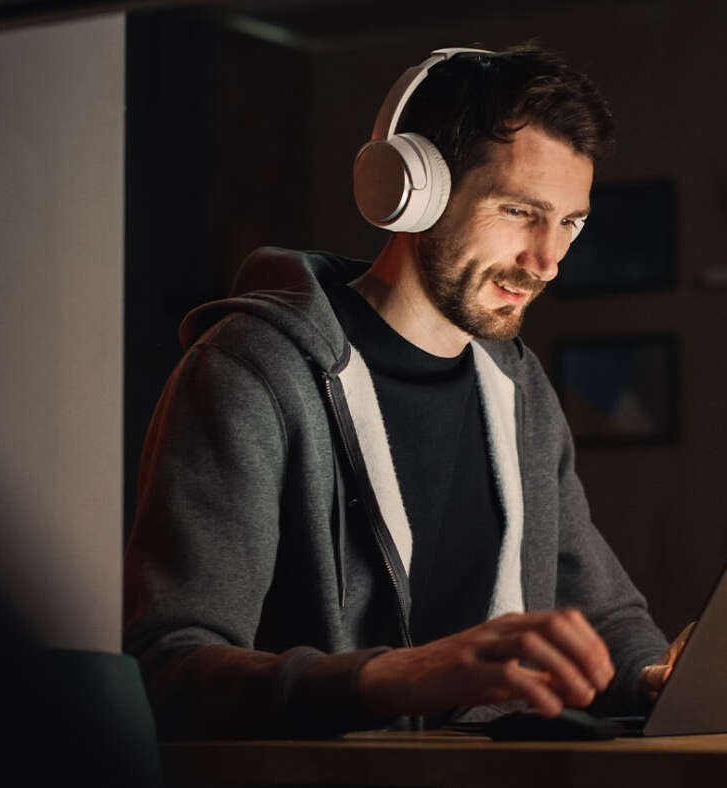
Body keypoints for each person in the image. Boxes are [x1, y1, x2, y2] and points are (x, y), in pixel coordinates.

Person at [124, 43, 686, 740]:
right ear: (410, 192)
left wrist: (655, 677)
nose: (547, 260)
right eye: (518, 211)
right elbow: (168, 670)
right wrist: (388, 679)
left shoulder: (519, 387)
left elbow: (601, 615)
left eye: (570, 223)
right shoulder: (252, 373)